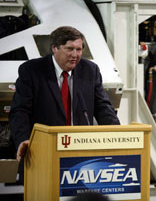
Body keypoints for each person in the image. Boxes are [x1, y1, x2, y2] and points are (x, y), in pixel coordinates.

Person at [9, 26, 120, 183]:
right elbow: (19, 111)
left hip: (80, 155)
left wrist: (118, 135)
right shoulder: (32, 70)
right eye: (70, 49)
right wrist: (24, 140)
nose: (75, 55)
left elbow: (103, 108)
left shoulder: (90, 70)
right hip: (43, 153)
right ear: (55, 48)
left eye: (79, 49)